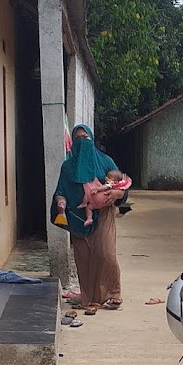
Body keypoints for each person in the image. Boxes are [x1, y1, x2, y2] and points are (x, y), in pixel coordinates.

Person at [51, 124, 125, 312]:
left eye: (86, 138)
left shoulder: (105, 161)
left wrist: (116, 195)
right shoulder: (68, 167)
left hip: (103, 214)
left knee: (106, 253)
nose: (82, 142)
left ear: (92, 140)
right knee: (84, 259)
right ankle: (90, 298)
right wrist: (61, 202)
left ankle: (113, 293)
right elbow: (60, 191)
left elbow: (122, 185)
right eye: (78, 139)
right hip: (78, 217)